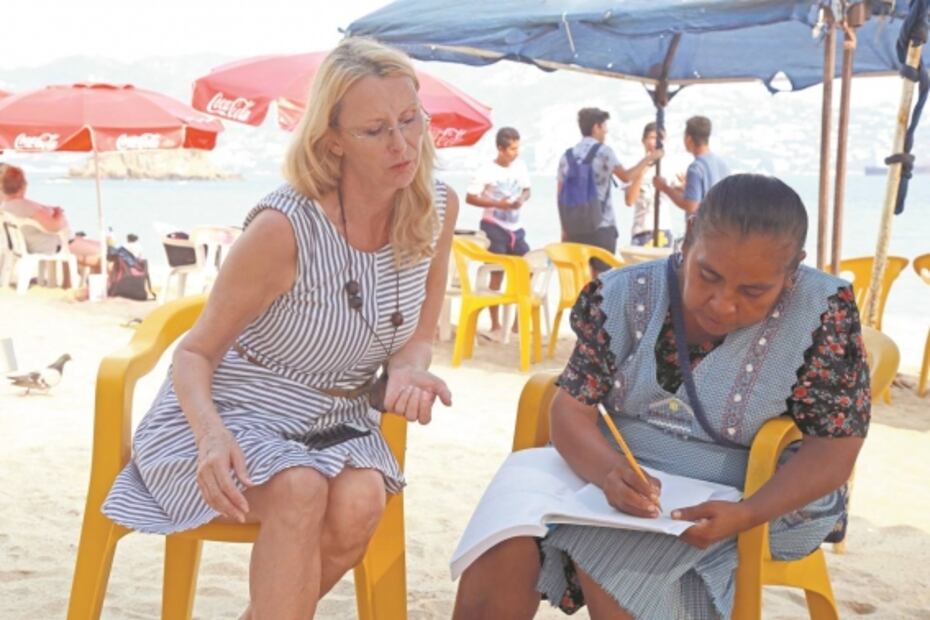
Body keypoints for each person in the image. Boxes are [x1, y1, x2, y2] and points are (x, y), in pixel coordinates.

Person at [101, 38, 459, 619]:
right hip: (226, 417)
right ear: (332, 140)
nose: (402, 145)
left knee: (363, 499)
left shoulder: (436, 207)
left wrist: (410, 372)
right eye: (375, 130)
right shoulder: (283, 227)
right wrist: (213, 438)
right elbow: (193, 353)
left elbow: (418, 333)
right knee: (298, 488)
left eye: (409, 120)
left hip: (335, 421)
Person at [453, 174, 869, 620]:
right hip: (620, 472)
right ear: (688, 241)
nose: (722, 303)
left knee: (612, 550)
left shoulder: (823, 312)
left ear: (791, 274)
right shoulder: (622, 294)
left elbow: (834, 450)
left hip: (762, 491)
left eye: (753, 292)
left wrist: (747, 512)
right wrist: (609, 473)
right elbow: (570, 409)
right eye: (708, 275)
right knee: (506, 538)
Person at [558, 108, 662, 272]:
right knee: (601, 282)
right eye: (604, 127)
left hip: (574, 230)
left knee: (580, 278)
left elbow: (560, 195)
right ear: (596, 127)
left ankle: (582, 299)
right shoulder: (604, 152)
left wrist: (564, 229)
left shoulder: (567, 157)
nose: (606, 131)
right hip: (602, 227)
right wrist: (650, 158)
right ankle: (596, 299)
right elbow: (626, 177)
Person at [465, 126, 531, 342]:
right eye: (512, 149)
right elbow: (470, 197)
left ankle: (516, 324)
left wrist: (521, 199)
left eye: (517, 147)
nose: (516, 152)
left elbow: (526, 189)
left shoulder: (520, 167)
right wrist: (497, 203)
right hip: (493, 224)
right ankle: (495, 324)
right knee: (497, 273)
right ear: (501, 149)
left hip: (516, 227)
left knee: (527, 268)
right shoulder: (487, 170)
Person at [0, 164, 102, 270]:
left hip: (34, 246)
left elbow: (37, 210)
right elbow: (55, 227)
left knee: (95, 250)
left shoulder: (6, 206)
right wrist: (59, 214)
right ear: (22, 186)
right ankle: (109, 277)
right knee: (102, 250)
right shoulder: (26, 206)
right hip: (54, 246)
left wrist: (48, 209)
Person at [654, 115, 730, 219]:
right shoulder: (722, 165)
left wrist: (664, 188)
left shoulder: (696, 168)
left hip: (703, 230)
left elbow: (691, 205)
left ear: (689, 139)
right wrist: (686, 191)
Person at [625, 122, 672, 247]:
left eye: (659, 139)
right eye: (652, 138)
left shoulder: (669, 167)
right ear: (643, 140)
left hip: (663, 230)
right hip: (641, 231)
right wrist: (643, 170)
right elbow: (630, 200)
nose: (656, 142)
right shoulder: (635, 167)